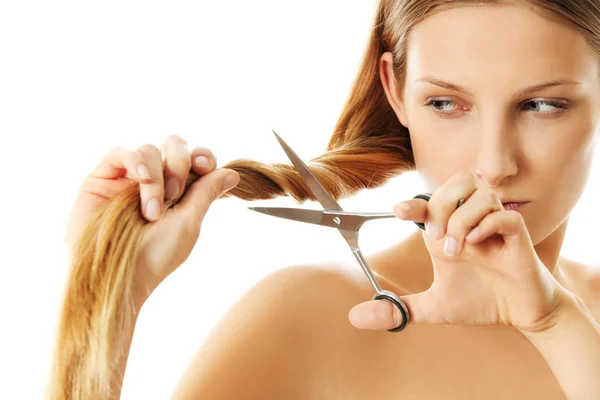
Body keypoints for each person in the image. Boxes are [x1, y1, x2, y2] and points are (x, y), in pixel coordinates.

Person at [48, 1, 600, 399]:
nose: (495, 164)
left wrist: (555, 323)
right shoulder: (311, 318)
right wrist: (104, 296)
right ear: (395, 91)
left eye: (542, 106)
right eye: (446, 103)